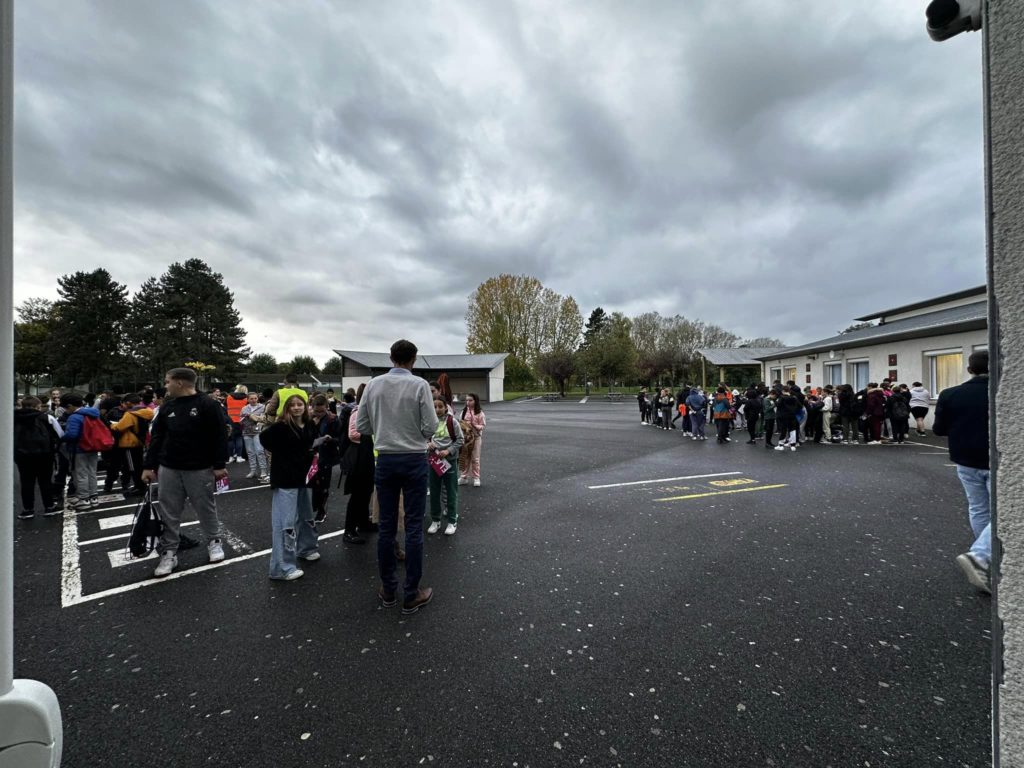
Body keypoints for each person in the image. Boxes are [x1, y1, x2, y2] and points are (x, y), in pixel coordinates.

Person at [355, 339, 438, 614]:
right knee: (414, 526)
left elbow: (363, 425)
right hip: (414, 458)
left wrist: (386, 429)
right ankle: (411, 592)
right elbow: (430, 425)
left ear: (391, 357)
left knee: (387, 527)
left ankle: (389, 589)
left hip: (386, 459)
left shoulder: (374, 385)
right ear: (413, 360)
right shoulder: (419, 385)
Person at [141, 367, 230, 578]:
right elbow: (157, 438)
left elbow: (219, 436)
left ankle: (214, 542)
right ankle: (169, 551)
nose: (165, 385)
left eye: (167, 381)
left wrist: (219, 464)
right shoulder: (167, 406)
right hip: (169, 467)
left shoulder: (208, 404)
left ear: (179, 382)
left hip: (199, 467)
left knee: (205, 507)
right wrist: (148, 465)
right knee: (168, 511)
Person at [932, 351, 992, 594]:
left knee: (979, 508)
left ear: (969, 369)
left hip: (965, 459)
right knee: (1007, 509)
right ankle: (982, 555)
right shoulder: (1007, 391)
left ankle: (989, 558)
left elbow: (939, 429)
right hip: (997, 459)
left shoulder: (949, 394)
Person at [259, 395, 324, 580]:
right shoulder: (280, 427)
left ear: (305, 406)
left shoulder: (310, 424)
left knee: (306, 516)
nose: (296, 408)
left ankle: (306, 548)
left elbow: (310, 444)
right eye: (293, 405)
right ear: (287, 408)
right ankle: (281, 568)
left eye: (300, 404)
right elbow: (264, 439)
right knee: (285, 523)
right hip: (286, 479)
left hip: (305, 478)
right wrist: (283, 454)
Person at [14, 396, 61, 518]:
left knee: (26, 482)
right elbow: (59, 434)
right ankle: (49, 507)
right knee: (45, 481)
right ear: (38, 407)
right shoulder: (46, 418)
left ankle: (28, 509)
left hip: (22, 456)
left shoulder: (14, 418)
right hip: (44, 455)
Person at [343, 384, 375, 545]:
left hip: (368, 456)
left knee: (366, 491)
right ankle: (349, 530)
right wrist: (374, 432)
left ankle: (363, 523)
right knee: (357, 494)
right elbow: (352, 434)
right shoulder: (358, 411)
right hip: (358, 457)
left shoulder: (370, 410)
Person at [427, 397, 464, 535]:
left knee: (451, 492)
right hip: (434, 460)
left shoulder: (452, 422)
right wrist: (428, 444)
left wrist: (448, 451)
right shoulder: (430, 422)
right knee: (434, 492)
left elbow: (460, 440)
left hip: (450, 461)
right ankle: (435, 520)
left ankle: (452, 520)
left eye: (440, 406)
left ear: (445, 407)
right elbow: (424, 437)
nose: (437, 410)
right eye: (434, 407)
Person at [60, 393, 103, 510]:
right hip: (93, 447)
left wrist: (61, 437)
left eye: (65, 408)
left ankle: (84, 499)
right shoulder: (93, 413)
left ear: (70, 406)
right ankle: (93, 497)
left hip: (79, 449)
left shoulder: (74, 417)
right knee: (91, 473)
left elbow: (72, 435)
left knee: (81, 474)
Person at [109, 393, 154, 495]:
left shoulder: (130, 414)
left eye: (124, 404)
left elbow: (119, 427)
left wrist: (112, 425)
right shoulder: (147, 411)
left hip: (129, 443)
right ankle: (141, 485)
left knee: (133, 467)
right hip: (140, 441)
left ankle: (139, 487)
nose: (123, 406)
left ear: (128, 403)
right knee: (139, 464)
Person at [309, 394, 342, 524]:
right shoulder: (309, 419)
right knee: (312, 483)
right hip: (311, 456)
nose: (319, 413)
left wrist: (330, 440)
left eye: (322, 411)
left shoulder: (332, 420)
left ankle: (321, 511)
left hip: (325, 456)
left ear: (327, 408)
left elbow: (340, 439)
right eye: (316, 411)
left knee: (323, 485)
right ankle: (314, 507)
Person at [240, 391, 269, 482]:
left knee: (260, 451)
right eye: (251, 399)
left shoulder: (263, 407)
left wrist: (252, 416)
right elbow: (240, 419)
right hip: (247, 432)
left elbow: (264, 419)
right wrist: (244, 418)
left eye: (255, 398)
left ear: (258, 398)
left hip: (258, 431)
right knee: (250, 452)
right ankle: (253, 470)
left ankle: (263, 471)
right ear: (248, 399)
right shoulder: (244, 408)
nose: (253, 400)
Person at [458, 393, 486, 487]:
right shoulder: (464, 411)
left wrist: (474, 425)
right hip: (466, 438)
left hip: (476, 438)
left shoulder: (480, 413)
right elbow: (459, 423)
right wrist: (463, 425)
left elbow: (482, 425)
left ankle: (476, 477)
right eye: (467, 400)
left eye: (470, 400)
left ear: (475, 401)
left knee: (475, 459)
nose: (468, 402)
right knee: (465, 457)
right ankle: (463, 477)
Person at [225, 385, 248, 463]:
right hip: (241, 421)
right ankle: (239, 456)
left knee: (230, 439)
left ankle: (230, 457)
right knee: (239, 438)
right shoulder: (246, 399)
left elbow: (225, 406)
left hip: (230, 420)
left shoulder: (229, 397)